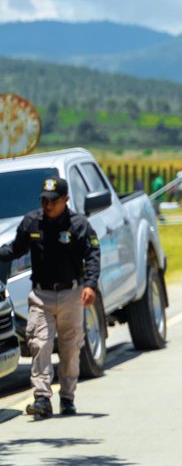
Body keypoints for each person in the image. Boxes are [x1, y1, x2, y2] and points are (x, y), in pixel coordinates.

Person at [0, 174, 101, 419]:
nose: (47, 205)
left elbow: (93, 255)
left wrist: (90, 285)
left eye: (53, 201)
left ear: (65, 200)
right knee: (39, 343)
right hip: (41, 295)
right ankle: (42, 398)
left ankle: (67, 397)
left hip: (71, 295)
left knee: (70, 348)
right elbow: (16, 249)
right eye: (44, 200)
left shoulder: (79, 225)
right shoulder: (32, 222)